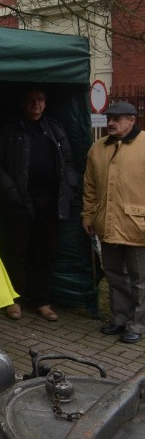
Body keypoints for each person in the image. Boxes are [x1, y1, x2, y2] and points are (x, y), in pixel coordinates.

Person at [0, 89, 78, 322]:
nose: (35, 105)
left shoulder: (55, 129)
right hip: (20, 202)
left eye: (40, 100)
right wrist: (11, 192)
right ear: (23, 103)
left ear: (46, 103)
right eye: (31, 100)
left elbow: (68, 162)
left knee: (46, 253)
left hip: (50, 203)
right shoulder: (10, 131)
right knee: (17, 251)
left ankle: (42, 301)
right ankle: (14, 299)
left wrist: (69, 188)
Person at [83, 101, 144, 344]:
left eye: (117, 118)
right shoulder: (97, 148)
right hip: (107, 224)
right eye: (109, 117)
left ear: (132, 119)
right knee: (115, 275)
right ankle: (119, 319)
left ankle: (137, 324)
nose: (111, 122)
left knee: (140, 280)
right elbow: (89, 186)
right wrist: (88, 215)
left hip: (138, 226)